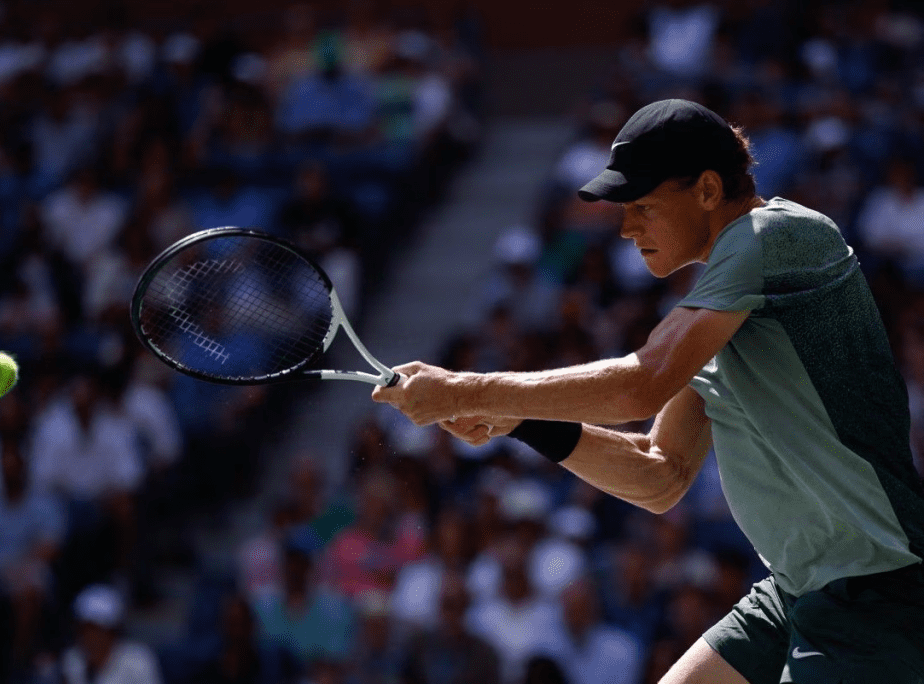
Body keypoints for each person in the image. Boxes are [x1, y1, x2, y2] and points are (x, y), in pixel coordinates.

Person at [374, 99, 924, 683]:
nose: (627, 228)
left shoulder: (777, 236)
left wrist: (468, 391)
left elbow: (642, 385)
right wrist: (520, 421)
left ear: (708, 189)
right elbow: (659, 473)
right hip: (796, 593)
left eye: (643, 207)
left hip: (875, 591)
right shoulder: (726, 305)